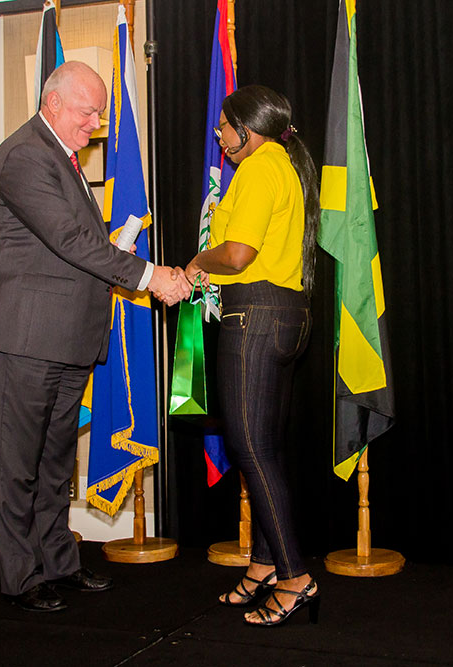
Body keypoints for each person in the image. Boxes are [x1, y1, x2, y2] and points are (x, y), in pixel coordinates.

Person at [0, 61, 190, 613]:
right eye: (89, 112)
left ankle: (59, 564)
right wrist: (149, 276)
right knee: (16, 464)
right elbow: (69, 240)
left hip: (67, 338)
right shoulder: (25, 156)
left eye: (100, 114)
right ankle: (21, 577)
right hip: (25, 338)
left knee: (54, 463)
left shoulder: (61, 158)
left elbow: (72, 245)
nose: (96, 124)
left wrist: (119, 251)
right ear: (53, 103)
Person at [184, 85, 320, 627]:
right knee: (265, 448)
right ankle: (264, 564)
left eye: (224, 125)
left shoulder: (261, 168)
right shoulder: (282, 164)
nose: (218, 135)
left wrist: (197, 263)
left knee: (249, 448)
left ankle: (295, 578)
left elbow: (238, 254)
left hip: (256, 317)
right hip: (285, 315)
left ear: (248, 127)